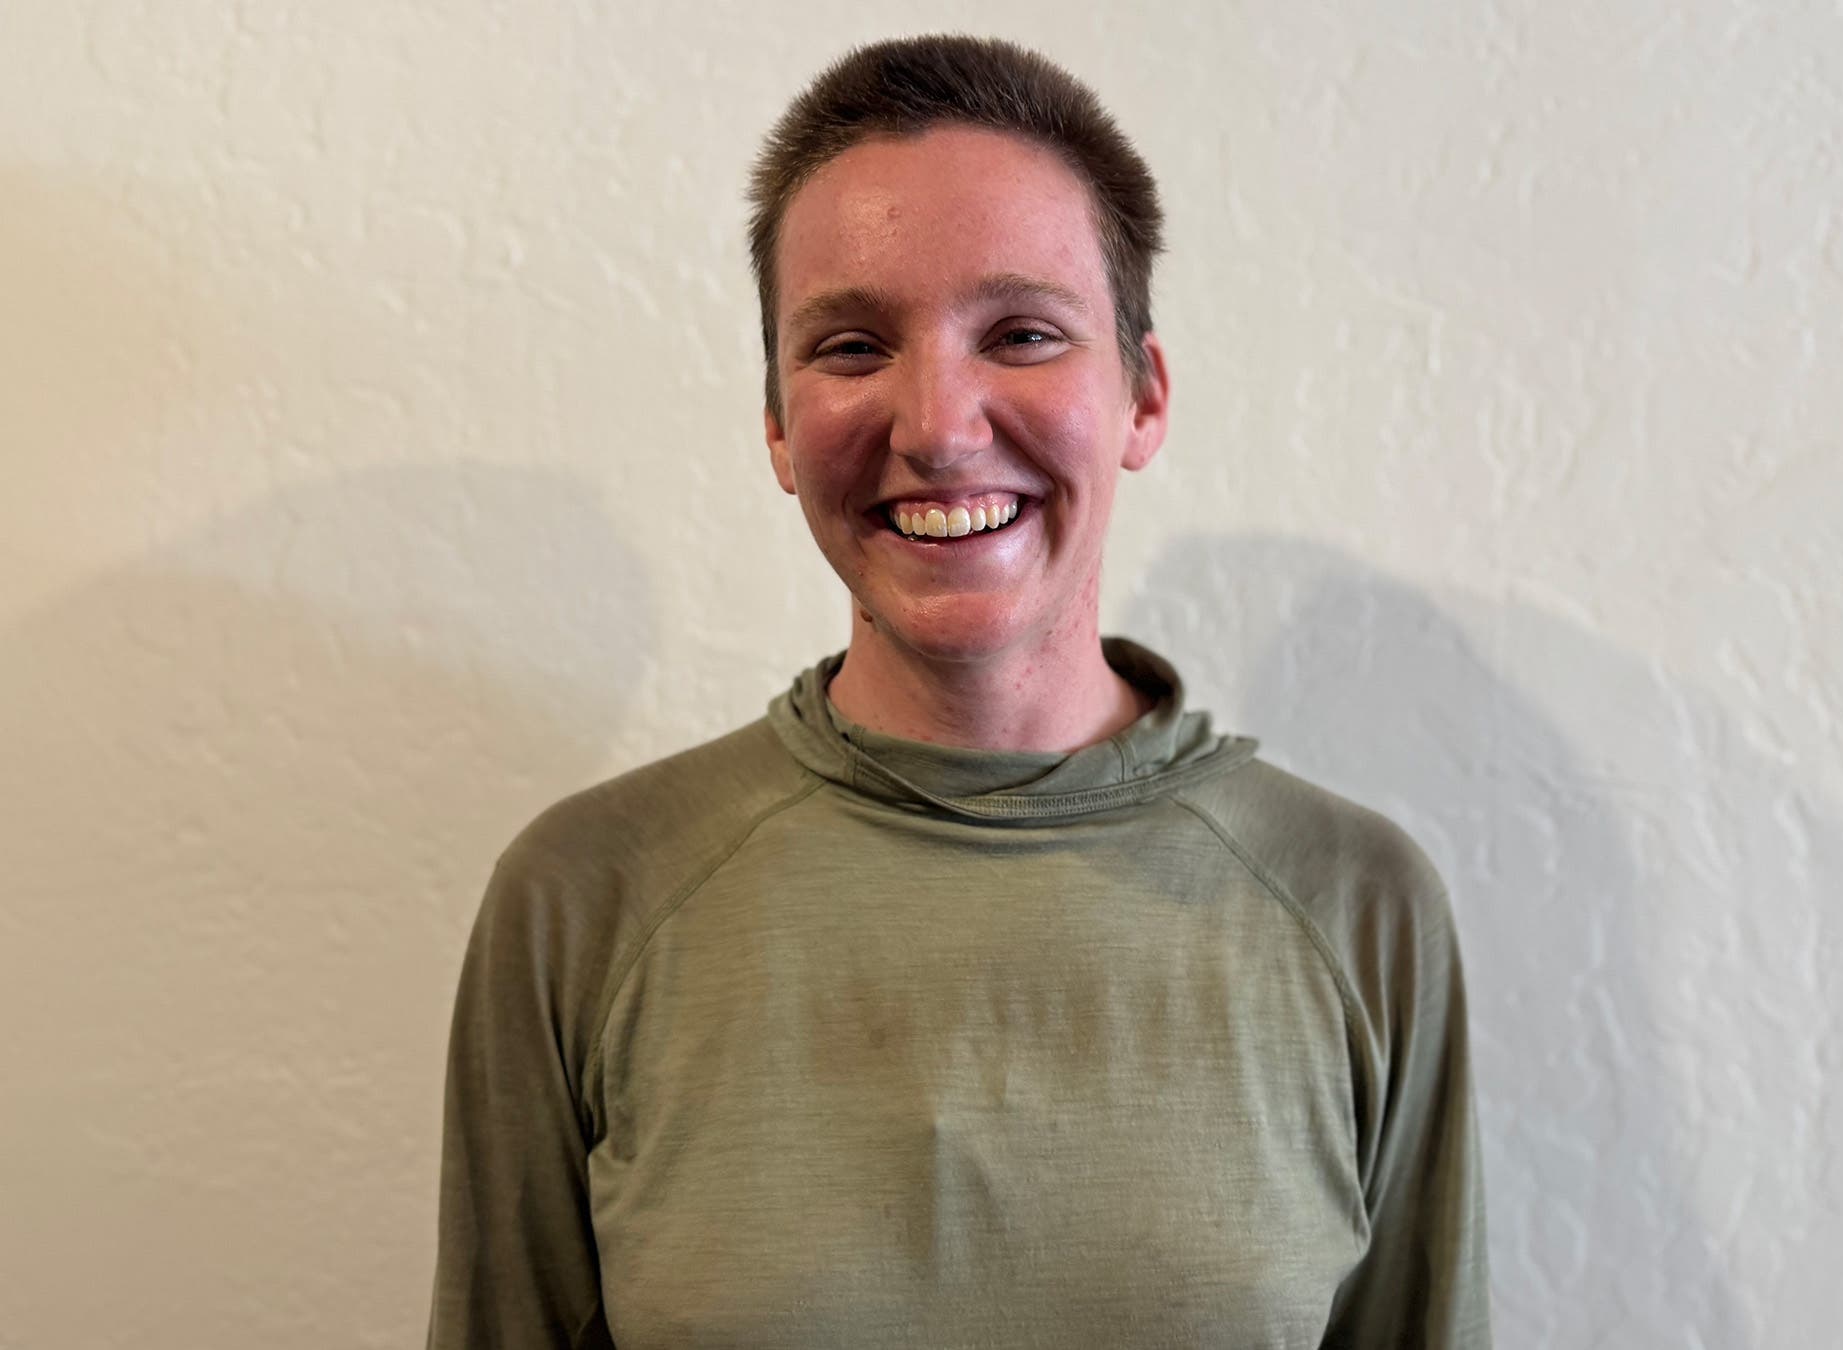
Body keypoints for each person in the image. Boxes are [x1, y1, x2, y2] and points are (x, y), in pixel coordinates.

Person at [427, 35, 1489, 1349]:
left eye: (1024, 333)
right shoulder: (589, 898)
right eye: (853, 343)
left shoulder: (1355, 906)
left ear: (1142, 396)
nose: (937, 422)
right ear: (776, 421)